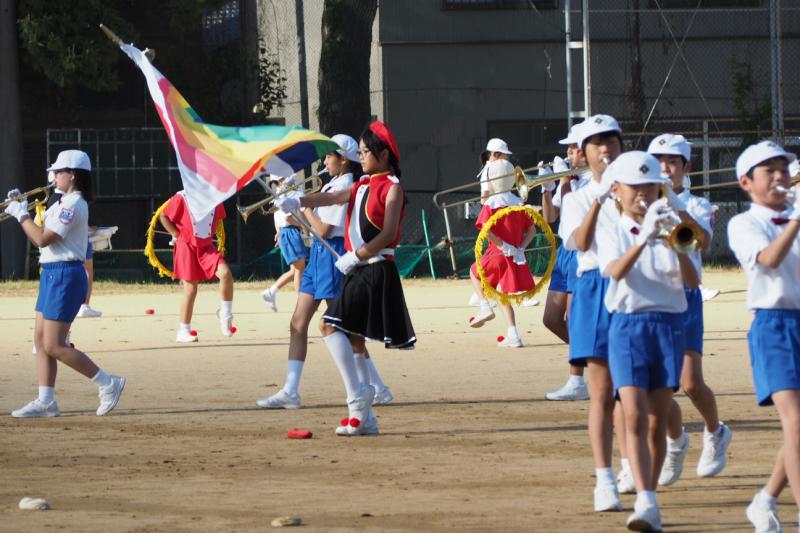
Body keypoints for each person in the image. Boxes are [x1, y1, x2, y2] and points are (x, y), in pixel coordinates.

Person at [275, 120, 415, 436]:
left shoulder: (392, 187)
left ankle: (358, 394)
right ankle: (365, 418)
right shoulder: (363, 184)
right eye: (360, 151)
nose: (360, 157)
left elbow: (389, 233)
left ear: (383, 154)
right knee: (348, 332)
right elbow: (333, 199)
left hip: (375, 267)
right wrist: (298, 201)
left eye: (366, 152)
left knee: (329, 325)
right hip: (359, 268)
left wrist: (357, 254)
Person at [597, 151, 700, 531]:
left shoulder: (673, 227)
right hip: (628, 326)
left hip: (669, 325)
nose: (642, 194)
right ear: (617, 190)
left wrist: (675, 241)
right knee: (634, 413)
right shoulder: (613, 229)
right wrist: (643, 238)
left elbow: (693, 281)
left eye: (649, 187)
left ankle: (649, 497)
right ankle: (645, 500)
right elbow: (615, 271)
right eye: (634, 187)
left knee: (657, 421)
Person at [256, 134, 392, 409]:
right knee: (298, 323)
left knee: (345, 328)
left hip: (332, 255)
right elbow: (311, 225)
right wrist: (293, 207)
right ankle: (290, 391)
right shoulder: (332, 183)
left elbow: (324, 230)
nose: (324, 160)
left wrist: (301, 205)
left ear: (344, 160)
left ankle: (378, 387)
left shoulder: (348, 185)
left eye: (329, 155)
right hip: (318, 255)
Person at [4, 150, 125, 418]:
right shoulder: (61, 202)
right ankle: (46, 401)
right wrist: (22, 207)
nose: (54, 176)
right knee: (40, 341)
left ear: (72, 175)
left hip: (65, 275)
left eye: (58, 172)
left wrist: (21, 215)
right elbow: (39, 233)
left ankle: (108, 383)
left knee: (54, 345)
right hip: (51, 273)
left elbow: (42, 239)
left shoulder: (73, 205)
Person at [645, 133, 732, 488]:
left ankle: (716, 431)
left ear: (686, 167)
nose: (665, 168)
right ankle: (676, 441)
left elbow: (702, 242)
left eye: (672, 162)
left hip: (685, 296)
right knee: (656, 387)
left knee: (691, 383)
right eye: (659, 162)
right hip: (651, 297)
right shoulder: (640, 202)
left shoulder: (696, 204)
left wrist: (676, 204)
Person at [727, 141, 800, 532]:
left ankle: (766, 498)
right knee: (796, 421)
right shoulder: (744, 223)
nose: (778, 177)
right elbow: (770, 260)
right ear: (746, 182)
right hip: (774, 325)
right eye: (768, 171)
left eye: (783, 169)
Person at [558, 114, 623, 512]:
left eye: (611, 141)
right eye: (597, 143)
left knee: (632, 393)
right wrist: (599, 200)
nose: (605, 149)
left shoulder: (639, 187)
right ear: (584, 153)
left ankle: (633, 463)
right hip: (594, 285)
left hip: (632, 285)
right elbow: (580, 243)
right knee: (601, 393)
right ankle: (605, 479)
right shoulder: (577, 198)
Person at [541, 124, 591, 401]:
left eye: (574, 148)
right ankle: (598, 358)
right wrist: (546, 188)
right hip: (564, 252)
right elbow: (550, 217)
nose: (569, 153)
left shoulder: (592, 180)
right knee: (551, 319)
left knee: (574, 318)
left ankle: (577, 380)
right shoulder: (570, 178)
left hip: (582, 251)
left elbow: (574, 216)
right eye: (568, 149)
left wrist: (563, 181)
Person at [467, 159, 537, 348]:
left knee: (473, 272)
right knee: (501, 294)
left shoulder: (491, 203)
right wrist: (520, 248)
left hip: (497, 253)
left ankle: (484, 306)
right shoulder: (519, 203)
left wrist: (502, 245)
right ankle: (513, 335)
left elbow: (485, 229)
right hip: (514, 256)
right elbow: (532, 230)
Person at [158, 190, 234, 342]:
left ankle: (225, 314)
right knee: (191, 290)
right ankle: (183, 331)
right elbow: (163, 216)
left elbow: (217, 221)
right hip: (186, 246)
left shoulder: (216, 196)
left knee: (225, 273)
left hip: (206, 246)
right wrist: (176, 234)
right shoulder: (182, 196)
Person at [260, 175, 309, 312]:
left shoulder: (279, 196)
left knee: (295, 270)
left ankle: (271, 292)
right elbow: (289, 219)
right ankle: (301, 302)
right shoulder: (286, 195)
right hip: (290, 232)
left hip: (286, 232)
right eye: (283, 179)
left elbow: (278, 219)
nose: (290, 180)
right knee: (299, 269)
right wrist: (305, 226)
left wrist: (279, 232)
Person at [478, 138, 513, 204]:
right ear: (495, 154)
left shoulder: (497, 169)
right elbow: (484, 200)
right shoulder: (488, 170)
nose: (507, 157)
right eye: (505, 154)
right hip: (495, 208)